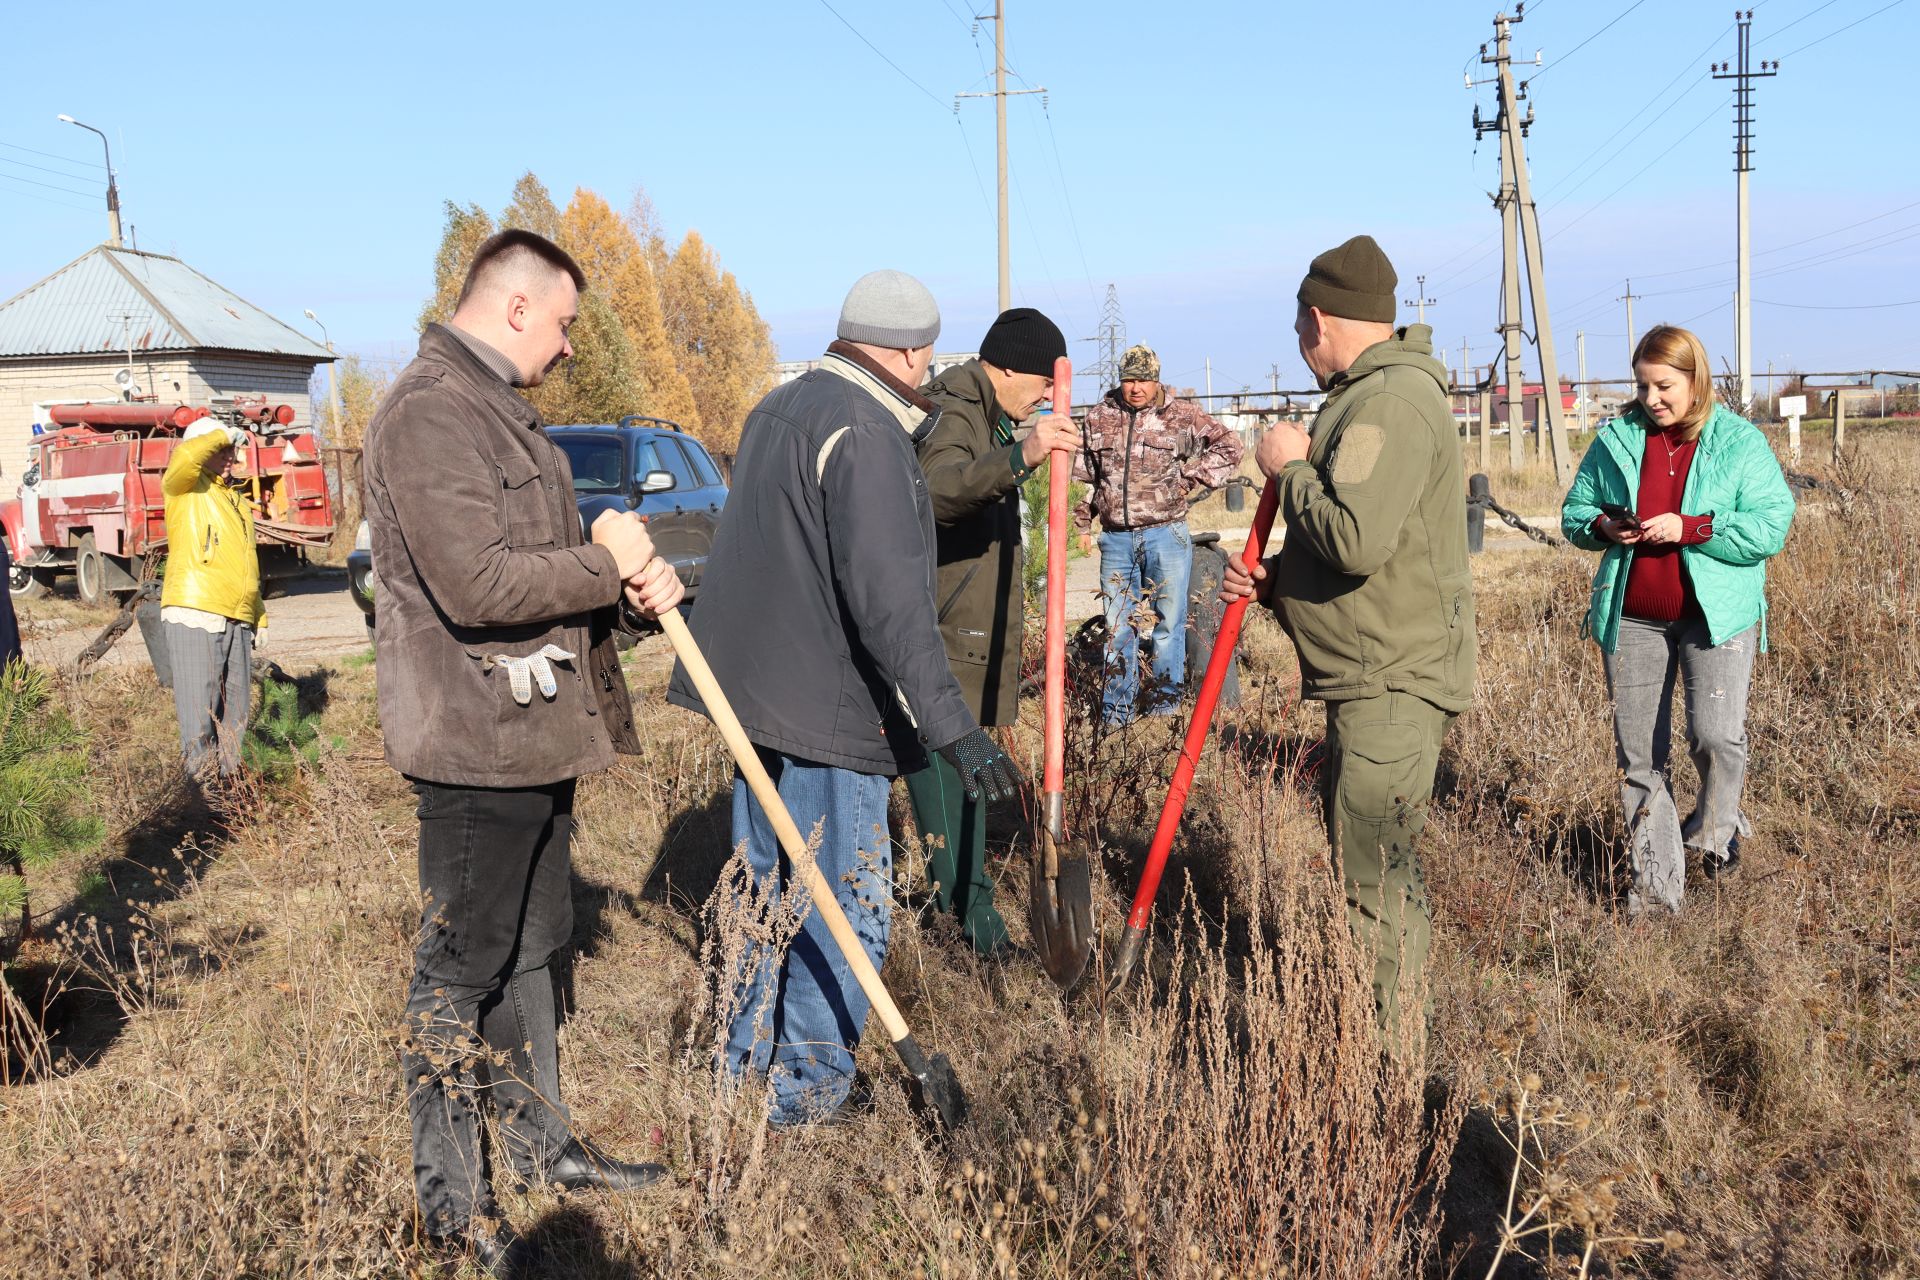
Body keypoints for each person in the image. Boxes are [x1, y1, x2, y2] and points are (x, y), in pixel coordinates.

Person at [364, 229, 683, 1277]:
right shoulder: (429, 414)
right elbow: (480, 586)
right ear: (514, 307)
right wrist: (604, 562)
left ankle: (544, 1146)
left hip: (532, 737)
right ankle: (455, 1207)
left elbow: (548, 578)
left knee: (534, 948)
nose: (567, 346)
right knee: (457, 975)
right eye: (563, 323)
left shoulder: (503, 411)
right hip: (473, 747)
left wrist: (628, 598)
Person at [667, 270, 1022, 1126]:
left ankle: (741, 1073)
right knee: (847, 902)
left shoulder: (781, 406)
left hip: (755, 699)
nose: (928, 374)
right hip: (828, 709)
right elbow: (892, 606)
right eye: (927, 357)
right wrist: (954, 731)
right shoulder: (866, 432)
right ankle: (808, 1094)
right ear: (907, 349)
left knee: (763, 886)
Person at [1222, 235, 1474, 1043]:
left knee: (1377, 883)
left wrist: (1288, 469)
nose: (1300, 347)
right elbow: (1368, 568)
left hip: (1391, 685)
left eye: (1300, 328)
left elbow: (1356, 538)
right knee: (1370, 875)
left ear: (1319, 318)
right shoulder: (1370, 396)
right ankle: (1383, 1057)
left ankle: (1389, 1077)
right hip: (1373, 674)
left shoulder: (1388, 403)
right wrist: (1276, 589)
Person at [1560, 324, 1794, 916]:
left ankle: (1714, 834)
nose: (1652, 398)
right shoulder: (1615, 441)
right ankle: (1657, 893)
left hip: (1716, 619)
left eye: (1664, 385)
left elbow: (1771, 526)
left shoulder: (1739, 443)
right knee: (1640, 757)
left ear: (1696, 380)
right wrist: (1602, 528)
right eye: (1642, 386)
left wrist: (1692, 527)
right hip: (1634, 618)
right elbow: (1575, 511)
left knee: (1714, 735)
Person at [912, 307, 1081, 956]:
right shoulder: (956, 409)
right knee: (948, 779)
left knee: (971, 778)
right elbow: (937, 488)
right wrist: (1021, 457)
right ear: (1007, 365)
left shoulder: (990, 415)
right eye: (1042, 382)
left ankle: (964, 905)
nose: (1045, 397)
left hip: (968, 632)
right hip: (942, 634)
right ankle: (967, 923)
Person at [1074, 343, 1242, 724]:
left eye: (1144, 380)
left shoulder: (1181, 414)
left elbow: (1231, 446)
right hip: (1115, 538)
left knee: (1168, 625)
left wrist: (1190, 477)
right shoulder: (1099, 416)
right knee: (1118, 629)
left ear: (1157, 380)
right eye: (1129, 380)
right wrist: (1081, 524)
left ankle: (1163, 712)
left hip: (1167, 535)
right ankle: (1117, 715)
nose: (1136, 388)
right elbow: (1083, 475)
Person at [160, 414, 263, 786]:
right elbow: (186, 459)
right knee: (199, 716)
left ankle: (230, 795)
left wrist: (259, 616)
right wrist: (221, 432)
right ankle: (201, 802)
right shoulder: (183, 488)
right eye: (220, 449)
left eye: (231, 450)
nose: (228, 455)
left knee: (235, 713)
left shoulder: (234, 500)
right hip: (195, 611)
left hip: (235, 616)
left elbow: (247, 561)